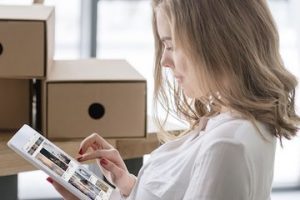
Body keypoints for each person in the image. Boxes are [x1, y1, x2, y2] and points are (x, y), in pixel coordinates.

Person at [47, 0, 300, 199]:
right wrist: (131, 187)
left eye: (170, 45)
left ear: (213, 42)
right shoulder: (234, 120)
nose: (164, 61)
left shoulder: (225, 146)